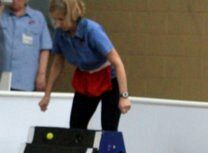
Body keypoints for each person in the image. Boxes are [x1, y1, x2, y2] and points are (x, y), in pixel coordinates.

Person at [39, 0, 131, 131]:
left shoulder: (92, 30)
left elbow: (117, 62)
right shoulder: (60, 33)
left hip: (109, 79)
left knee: (109, 128)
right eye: (55, 20)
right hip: (85, 78)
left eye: (61, 19)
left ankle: (108, 150)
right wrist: (47, 94)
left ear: (71, 15)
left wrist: (124, 96)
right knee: (76, 126)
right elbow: (57, 63)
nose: (57, 24)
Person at [1, 0, 52, 91]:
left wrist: (41, 74)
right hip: (2, 78)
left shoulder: (38, 17)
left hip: (26, 80)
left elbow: (45, 48)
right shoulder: (2, 14)